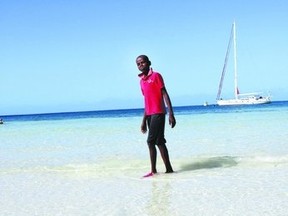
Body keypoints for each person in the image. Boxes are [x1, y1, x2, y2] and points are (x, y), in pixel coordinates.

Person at [136, 55, 176, 177]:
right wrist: (143, 121)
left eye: (143, 62)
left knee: (150, 141)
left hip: (158, 113)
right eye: (138, 64)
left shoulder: (156, 76)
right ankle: (169, 169)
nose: (140, 65)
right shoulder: (141, 81)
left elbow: (165, 94)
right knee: (159, 142)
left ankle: (153, 171)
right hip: (149, 115)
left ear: (149, 63)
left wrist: (171, 114)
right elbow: (146, 102)